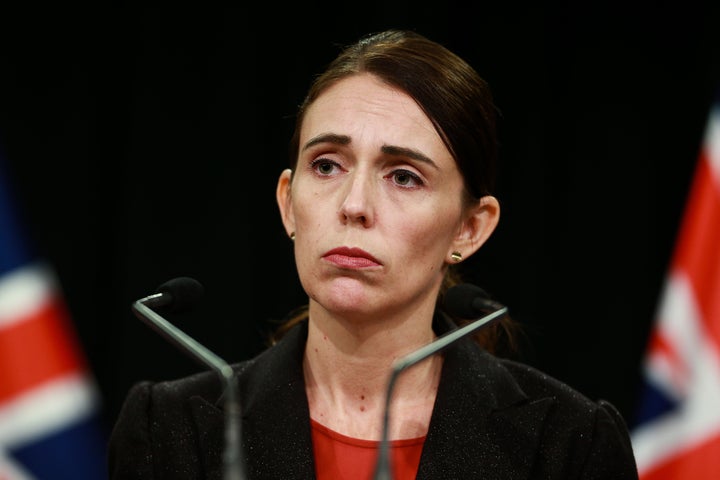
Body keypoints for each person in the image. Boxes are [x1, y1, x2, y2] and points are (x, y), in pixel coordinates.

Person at [108, 29, 639, 479]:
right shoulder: (171, 428)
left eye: (403, 176)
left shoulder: (568, 444)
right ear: (288, 204)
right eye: (327, 165)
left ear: (470, 229)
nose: (354, 205)